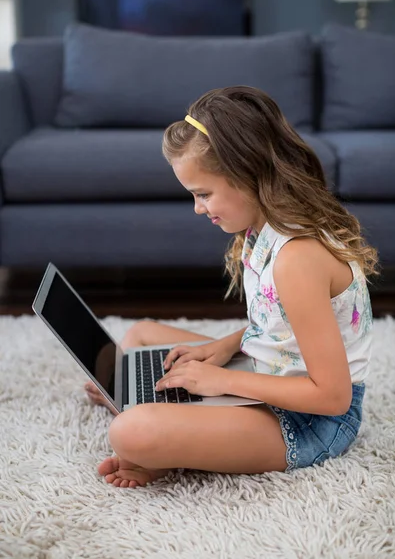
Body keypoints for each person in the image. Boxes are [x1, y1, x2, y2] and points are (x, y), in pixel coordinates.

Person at [85, 85, 379, 489]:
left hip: (311, 420)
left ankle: (166, 434)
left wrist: (221, 381)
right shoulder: (263, 227)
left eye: (203, 194)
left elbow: (332, 397)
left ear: (247, 174)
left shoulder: (298, 257)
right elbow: (284, 324)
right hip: (271, 374)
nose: (197, 207)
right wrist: (224, 347)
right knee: (140, 335)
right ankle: (148, 403)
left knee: (130, 432)